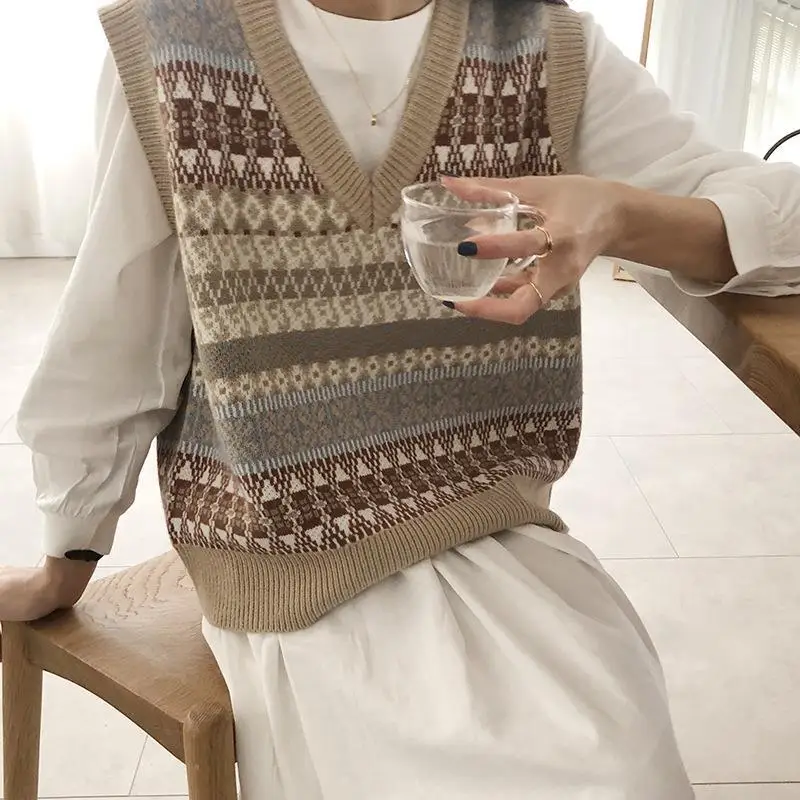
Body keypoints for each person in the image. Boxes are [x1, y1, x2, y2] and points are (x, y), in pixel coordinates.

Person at [3, 0, 800, 796]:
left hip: (494, 531)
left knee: (619, 751)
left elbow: (783, 222)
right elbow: (116, 330)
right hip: (294, 566)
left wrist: (621, 214)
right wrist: (67, 552)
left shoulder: (546, 46)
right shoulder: (173, 41)